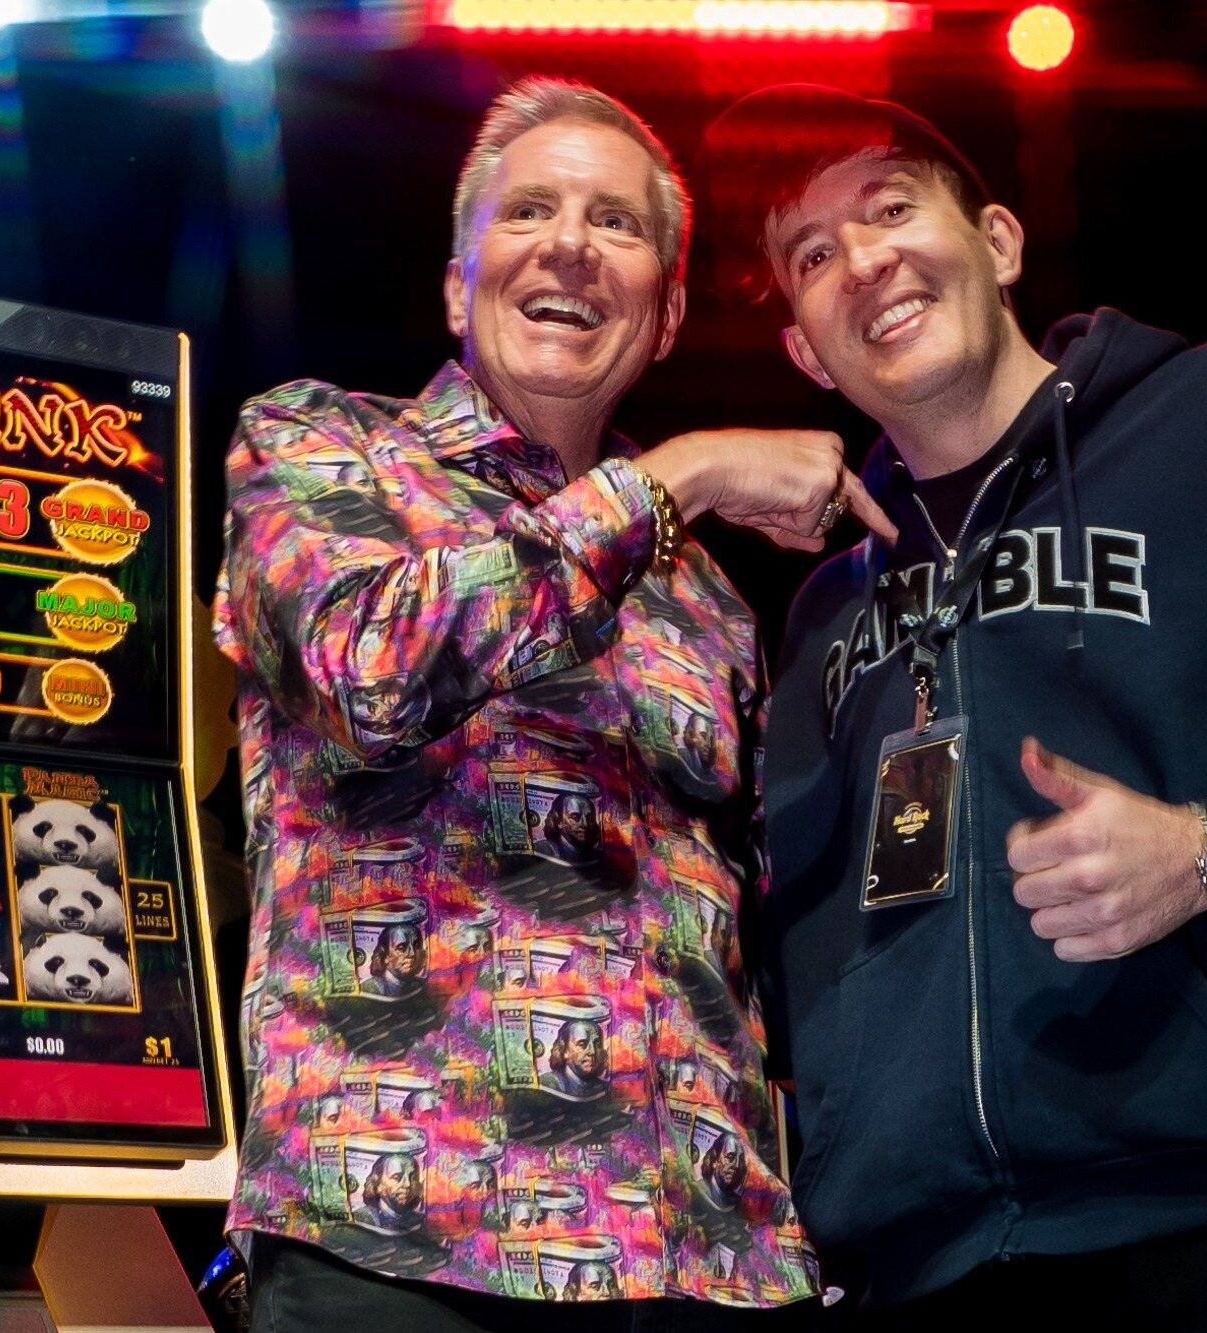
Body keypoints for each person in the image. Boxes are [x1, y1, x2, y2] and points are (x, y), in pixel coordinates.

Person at [702, 86, 1207, 1329]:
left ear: (1000, 242)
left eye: (890, 207)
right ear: (805, 349)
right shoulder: (817, 623)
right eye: (812, 254)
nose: (862, 261)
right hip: (933, 1275)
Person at [217, 77, 894, 1329]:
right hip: (407, 1242)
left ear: (668, 308)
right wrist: (676, 474)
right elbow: (370, 670)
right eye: (530, 210)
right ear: (455, 283)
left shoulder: (706, 598)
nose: (572, 244)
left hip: (707, 1261)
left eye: (617, 224)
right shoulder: (319, 452)